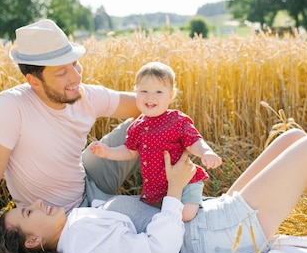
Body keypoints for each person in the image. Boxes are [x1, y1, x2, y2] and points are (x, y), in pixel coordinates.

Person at [0, 128, 307, 253]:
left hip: (207, 221)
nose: (38, 203)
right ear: (30, 242)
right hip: (214, 237)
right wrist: (174, 190)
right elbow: (157, 251)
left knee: (293, 138)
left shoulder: (77, 225)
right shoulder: (80, 243)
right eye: (28, 212)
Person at [0, 19, 155, 253]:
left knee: (155, 122)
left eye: (74, 64)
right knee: (149, 223)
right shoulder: (9, 108)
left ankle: (179, 193)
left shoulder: (85, 94)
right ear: (34, 81)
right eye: (61, 72)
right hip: (59, 217)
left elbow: (145, 105)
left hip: (89, 176)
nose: (75, 76)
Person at [89, 61, 222, 222]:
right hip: (157, 189)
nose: (150, 96)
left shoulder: (176, 120)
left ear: (171, 95)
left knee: (184, 215)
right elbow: (129, 151)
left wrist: (205, 152)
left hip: (185, 184)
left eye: (159, 91)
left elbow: (193, 141)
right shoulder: (137, 126)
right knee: (159, 215)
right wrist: (108, 152)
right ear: (136, 92)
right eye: (144, 90)